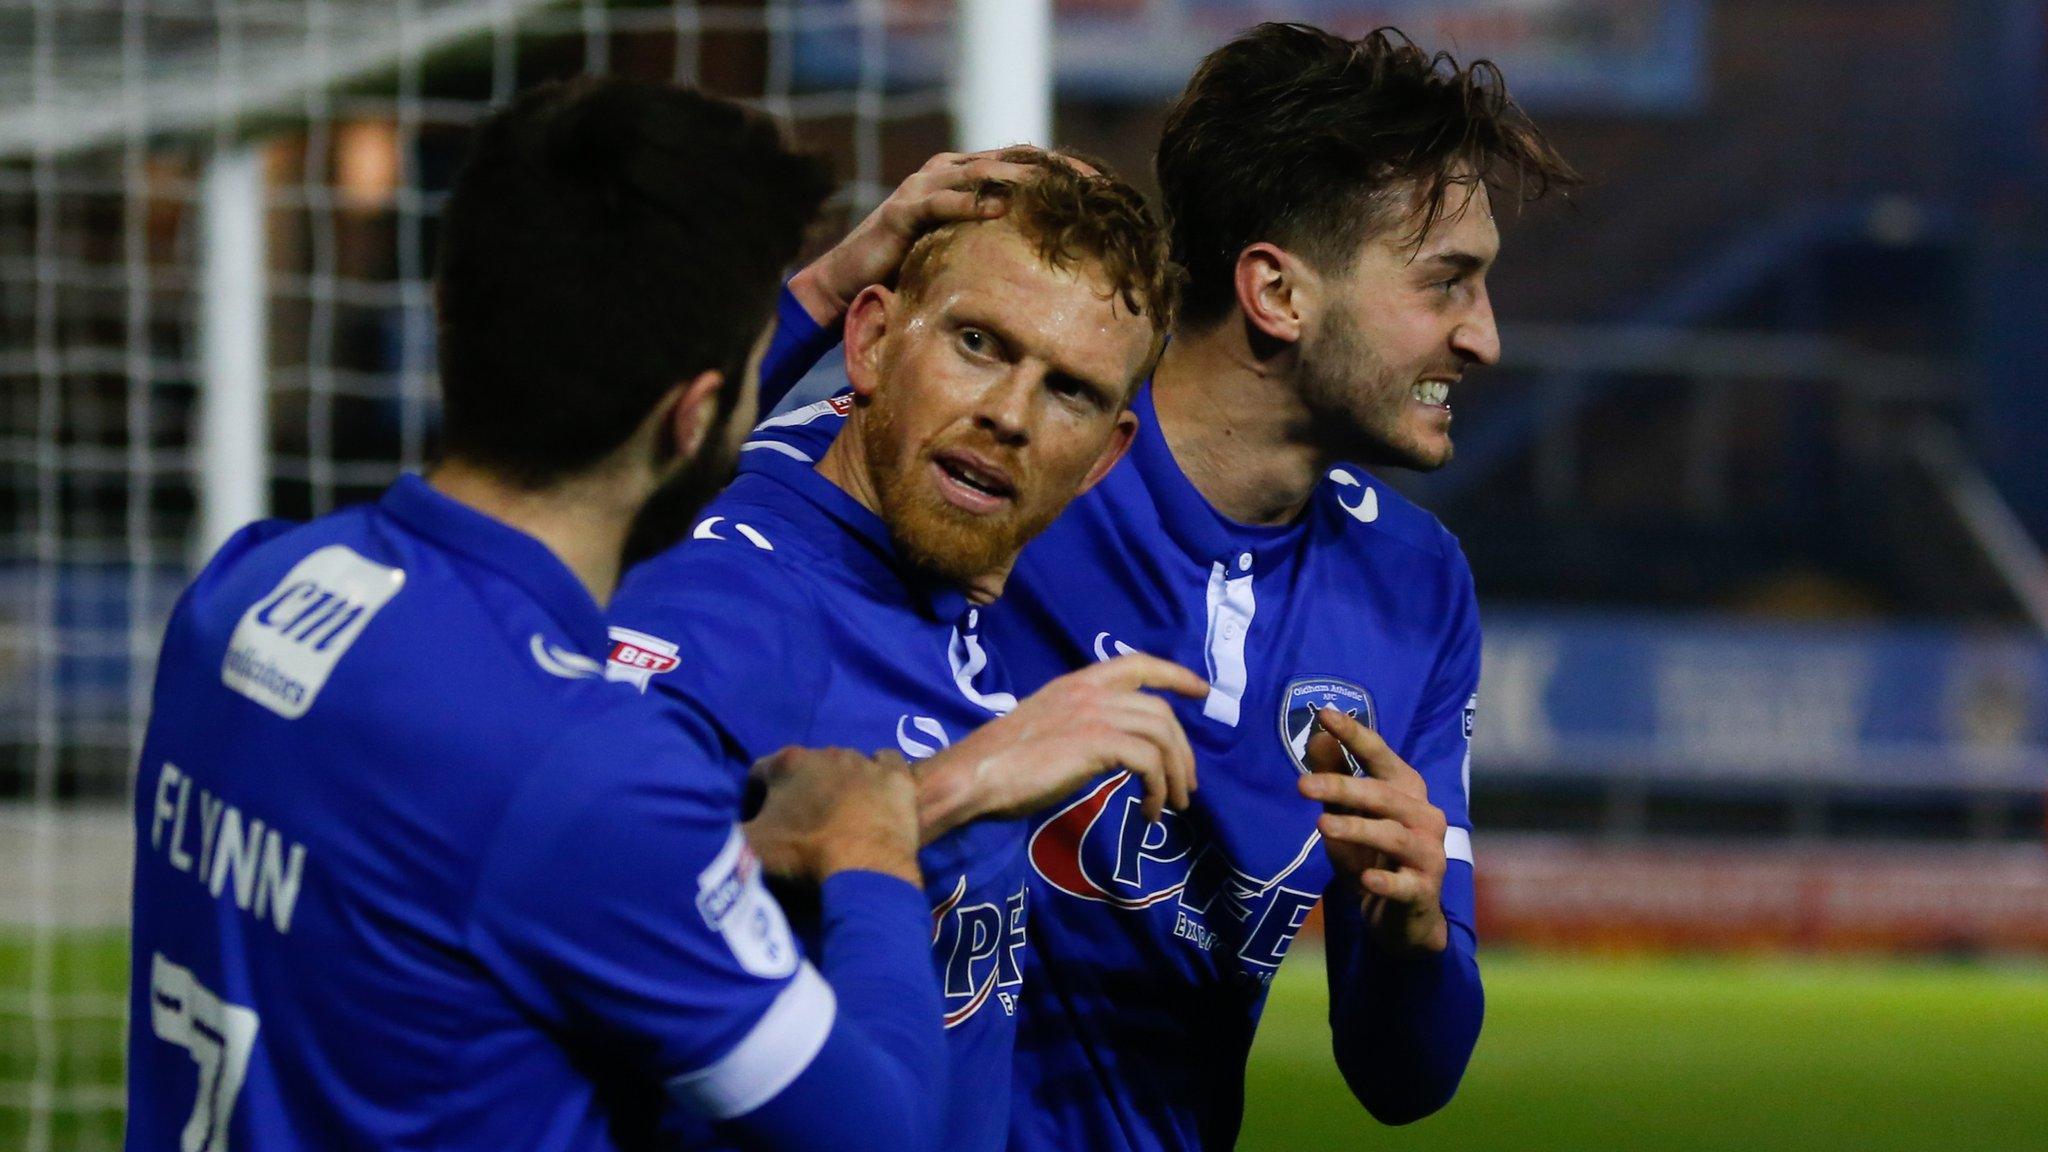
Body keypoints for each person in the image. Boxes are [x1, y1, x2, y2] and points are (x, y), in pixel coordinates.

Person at [742, 23, 1581, 1151]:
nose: (1480, 338)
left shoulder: (1413, 585)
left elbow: (1405, 1078)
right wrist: (817, 291)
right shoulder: (999, 453)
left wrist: (1413, 930)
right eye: (1446, 284)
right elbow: (640, 490)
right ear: (1276, 292)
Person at [124, 78, 971, 1152]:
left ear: (450, 311)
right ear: (696, 411)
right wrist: (869, 849)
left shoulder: (240, 594)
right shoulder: (589, 771)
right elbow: (880, 1128)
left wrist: (804, 293)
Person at [606, 149, 1208, 1152]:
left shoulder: (906, 544)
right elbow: (576, 910)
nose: (1009, 417)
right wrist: (953, 787)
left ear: (1106, 455)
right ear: (874, 340)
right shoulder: (722, 604)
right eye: (976, 343)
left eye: (1067, 391)